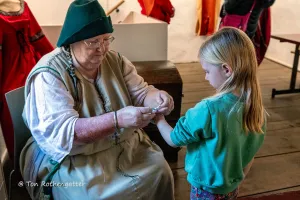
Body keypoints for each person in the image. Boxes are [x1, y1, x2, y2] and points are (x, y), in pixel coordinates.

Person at [19, 0, 175, 199]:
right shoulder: (50, 74)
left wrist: (157, 98)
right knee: (91, 196)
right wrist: (117, 120)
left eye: (106, 39)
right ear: (72, 41)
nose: (102, 48)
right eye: (93, 42)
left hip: (125, 147)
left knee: (160, 172)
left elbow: (142, 93)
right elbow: (67, 133)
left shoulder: (116, 60)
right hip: (76, 159)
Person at [153, 27, 266, 199]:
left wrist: (159, 119)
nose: (205, 77)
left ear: (226, 69)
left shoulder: (207, 109)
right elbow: (249, 156)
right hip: (232, 187)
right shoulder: (257, 109)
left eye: (207, 71)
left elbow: (174, 140)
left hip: (205, 190)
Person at [0, 0, 53, 158]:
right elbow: (39, 41)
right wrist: (56, 64)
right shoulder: (22, 5)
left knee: (15, 129)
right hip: (33, 69)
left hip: (9, 77)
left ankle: (20, 169)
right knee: (41, 119)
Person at [219, 0, 276, 65]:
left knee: (229, 57)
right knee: (242, 57)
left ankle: (231, 72)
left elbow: (228, 7)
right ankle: (241, 72)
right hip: (250, 29)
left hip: (235, 31)